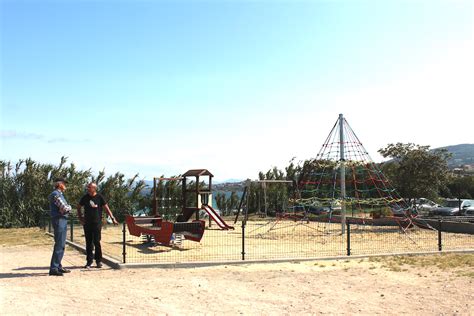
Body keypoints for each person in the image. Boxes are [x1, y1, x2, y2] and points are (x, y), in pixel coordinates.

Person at [77, 182, 118, 268]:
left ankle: (98, 261)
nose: (88, 188)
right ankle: (89, 262)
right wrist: (80, 218)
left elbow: (107, 208)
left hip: (97, 223)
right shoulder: (85, 197)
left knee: (97, 242)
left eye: (90, 187)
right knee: (88, 243)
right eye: (88, 187)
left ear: (94, 189)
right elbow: (78, 207)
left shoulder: (100, 197)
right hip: (87, 223)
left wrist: (113, 218)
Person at [48, 177, 72, 276]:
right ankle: (54, 268)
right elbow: (64, 208)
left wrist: (67, 208)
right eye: (64, 183)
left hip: (61, 220)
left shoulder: (59, 194)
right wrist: (69, 207)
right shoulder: (56, 194)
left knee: (61, 244)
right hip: (59, 220)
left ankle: (58, 266)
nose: (65, 185)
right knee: (59, 244)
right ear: (59, 184)